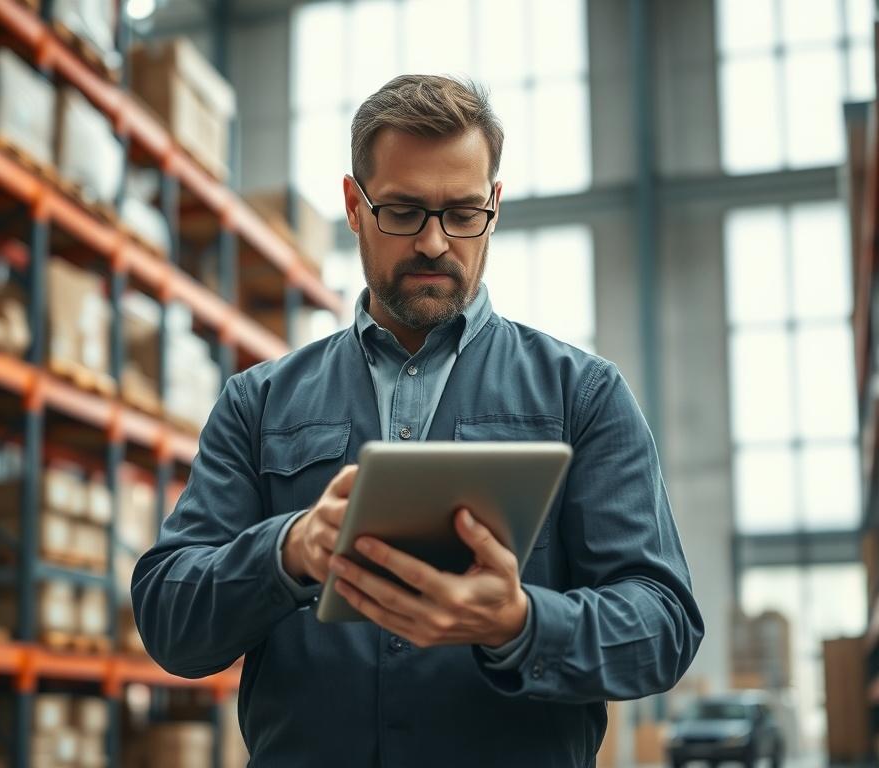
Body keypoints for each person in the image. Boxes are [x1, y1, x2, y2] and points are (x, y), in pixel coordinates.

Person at [132, 74, 703, 767]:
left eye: (463, 213)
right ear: (353, 205)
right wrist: (287, 552)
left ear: (494, 205)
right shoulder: (257, 404)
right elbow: (169, 617)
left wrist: (521, 623)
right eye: (402, 211)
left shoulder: (583, 398)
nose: (435, 243)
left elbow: (663, 625)